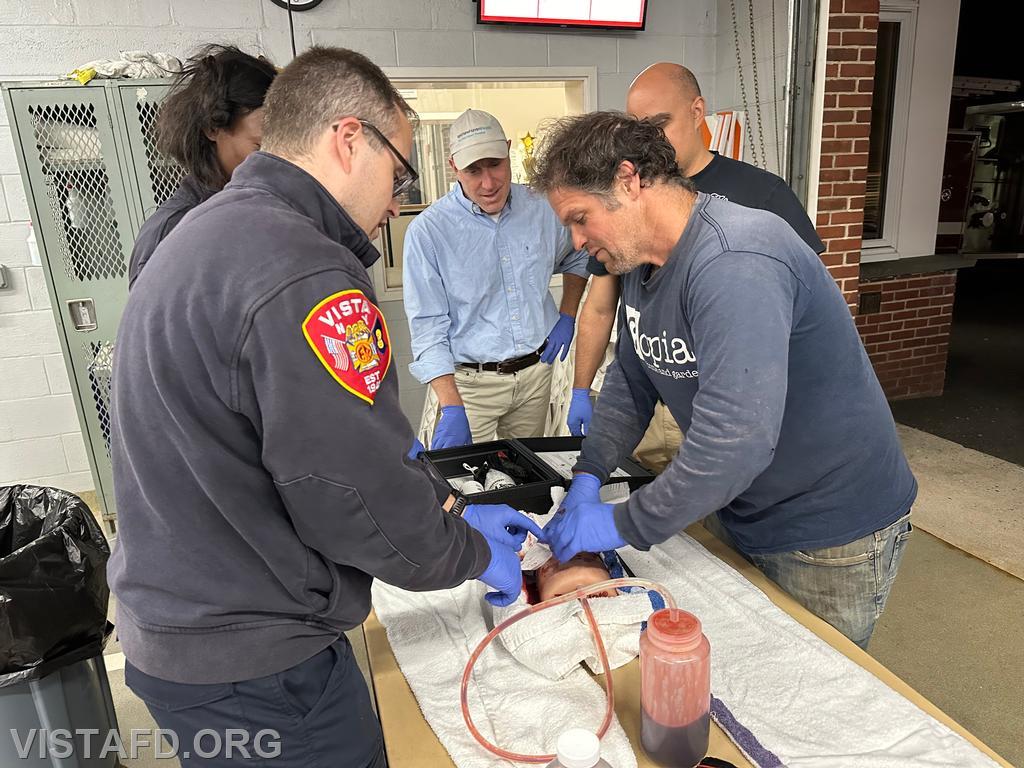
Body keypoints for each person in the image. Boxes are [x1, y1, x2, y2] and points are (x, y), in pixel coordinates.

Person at [108, 47, 544, 768]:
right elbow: (350, 489)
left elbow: (304, 446)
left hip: (186, 634)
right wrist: (470, 551)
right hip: (258, 666)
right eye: (400, 173)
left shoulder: (211, 230)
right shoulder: (303, 269)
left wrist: (450, 506)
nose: (399, 202)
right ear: (348, 139)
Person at [534, 111, 916, 649]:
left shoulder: (736, 258)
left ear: (628, 180)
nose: (576, 240)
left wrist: (618, 526)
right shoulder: (642, 264)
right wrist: (590, 474)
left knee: (803, 690)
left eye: (580, 218)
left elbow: (733, 442)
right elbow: (633, 376)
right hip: (741, 505)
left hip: (827, 529)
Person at [567, 63, 825, 472]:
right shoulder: (631, 214)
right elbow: (602, 308)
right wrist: (582, 389)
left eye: (659, 124)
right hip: (657, 398)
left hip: (736, 410)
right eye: (638, 129)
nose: (648, 142)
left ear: (696, 110)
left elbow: (813, 303)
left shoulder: (761, 196)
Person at [403, 109, 590, 450]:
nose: (488, 183)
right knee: (464, 486)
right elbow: (427, 328)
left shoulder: (542, 208)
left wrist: (567, 314)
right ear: (453, 166)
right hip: (469, 387)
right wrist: (451, 405)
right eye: (473, 170)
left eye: (495, 164)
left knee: (530, 478)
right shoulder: (428, 233)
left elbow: (578, 255)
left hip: (537, 375)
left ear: (507, 151)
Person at [127, 45, 277, 287]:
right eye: (260, 147)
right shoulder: (173, 231)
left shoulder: (260, 208)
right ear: (212, 128)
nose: (276, 164)